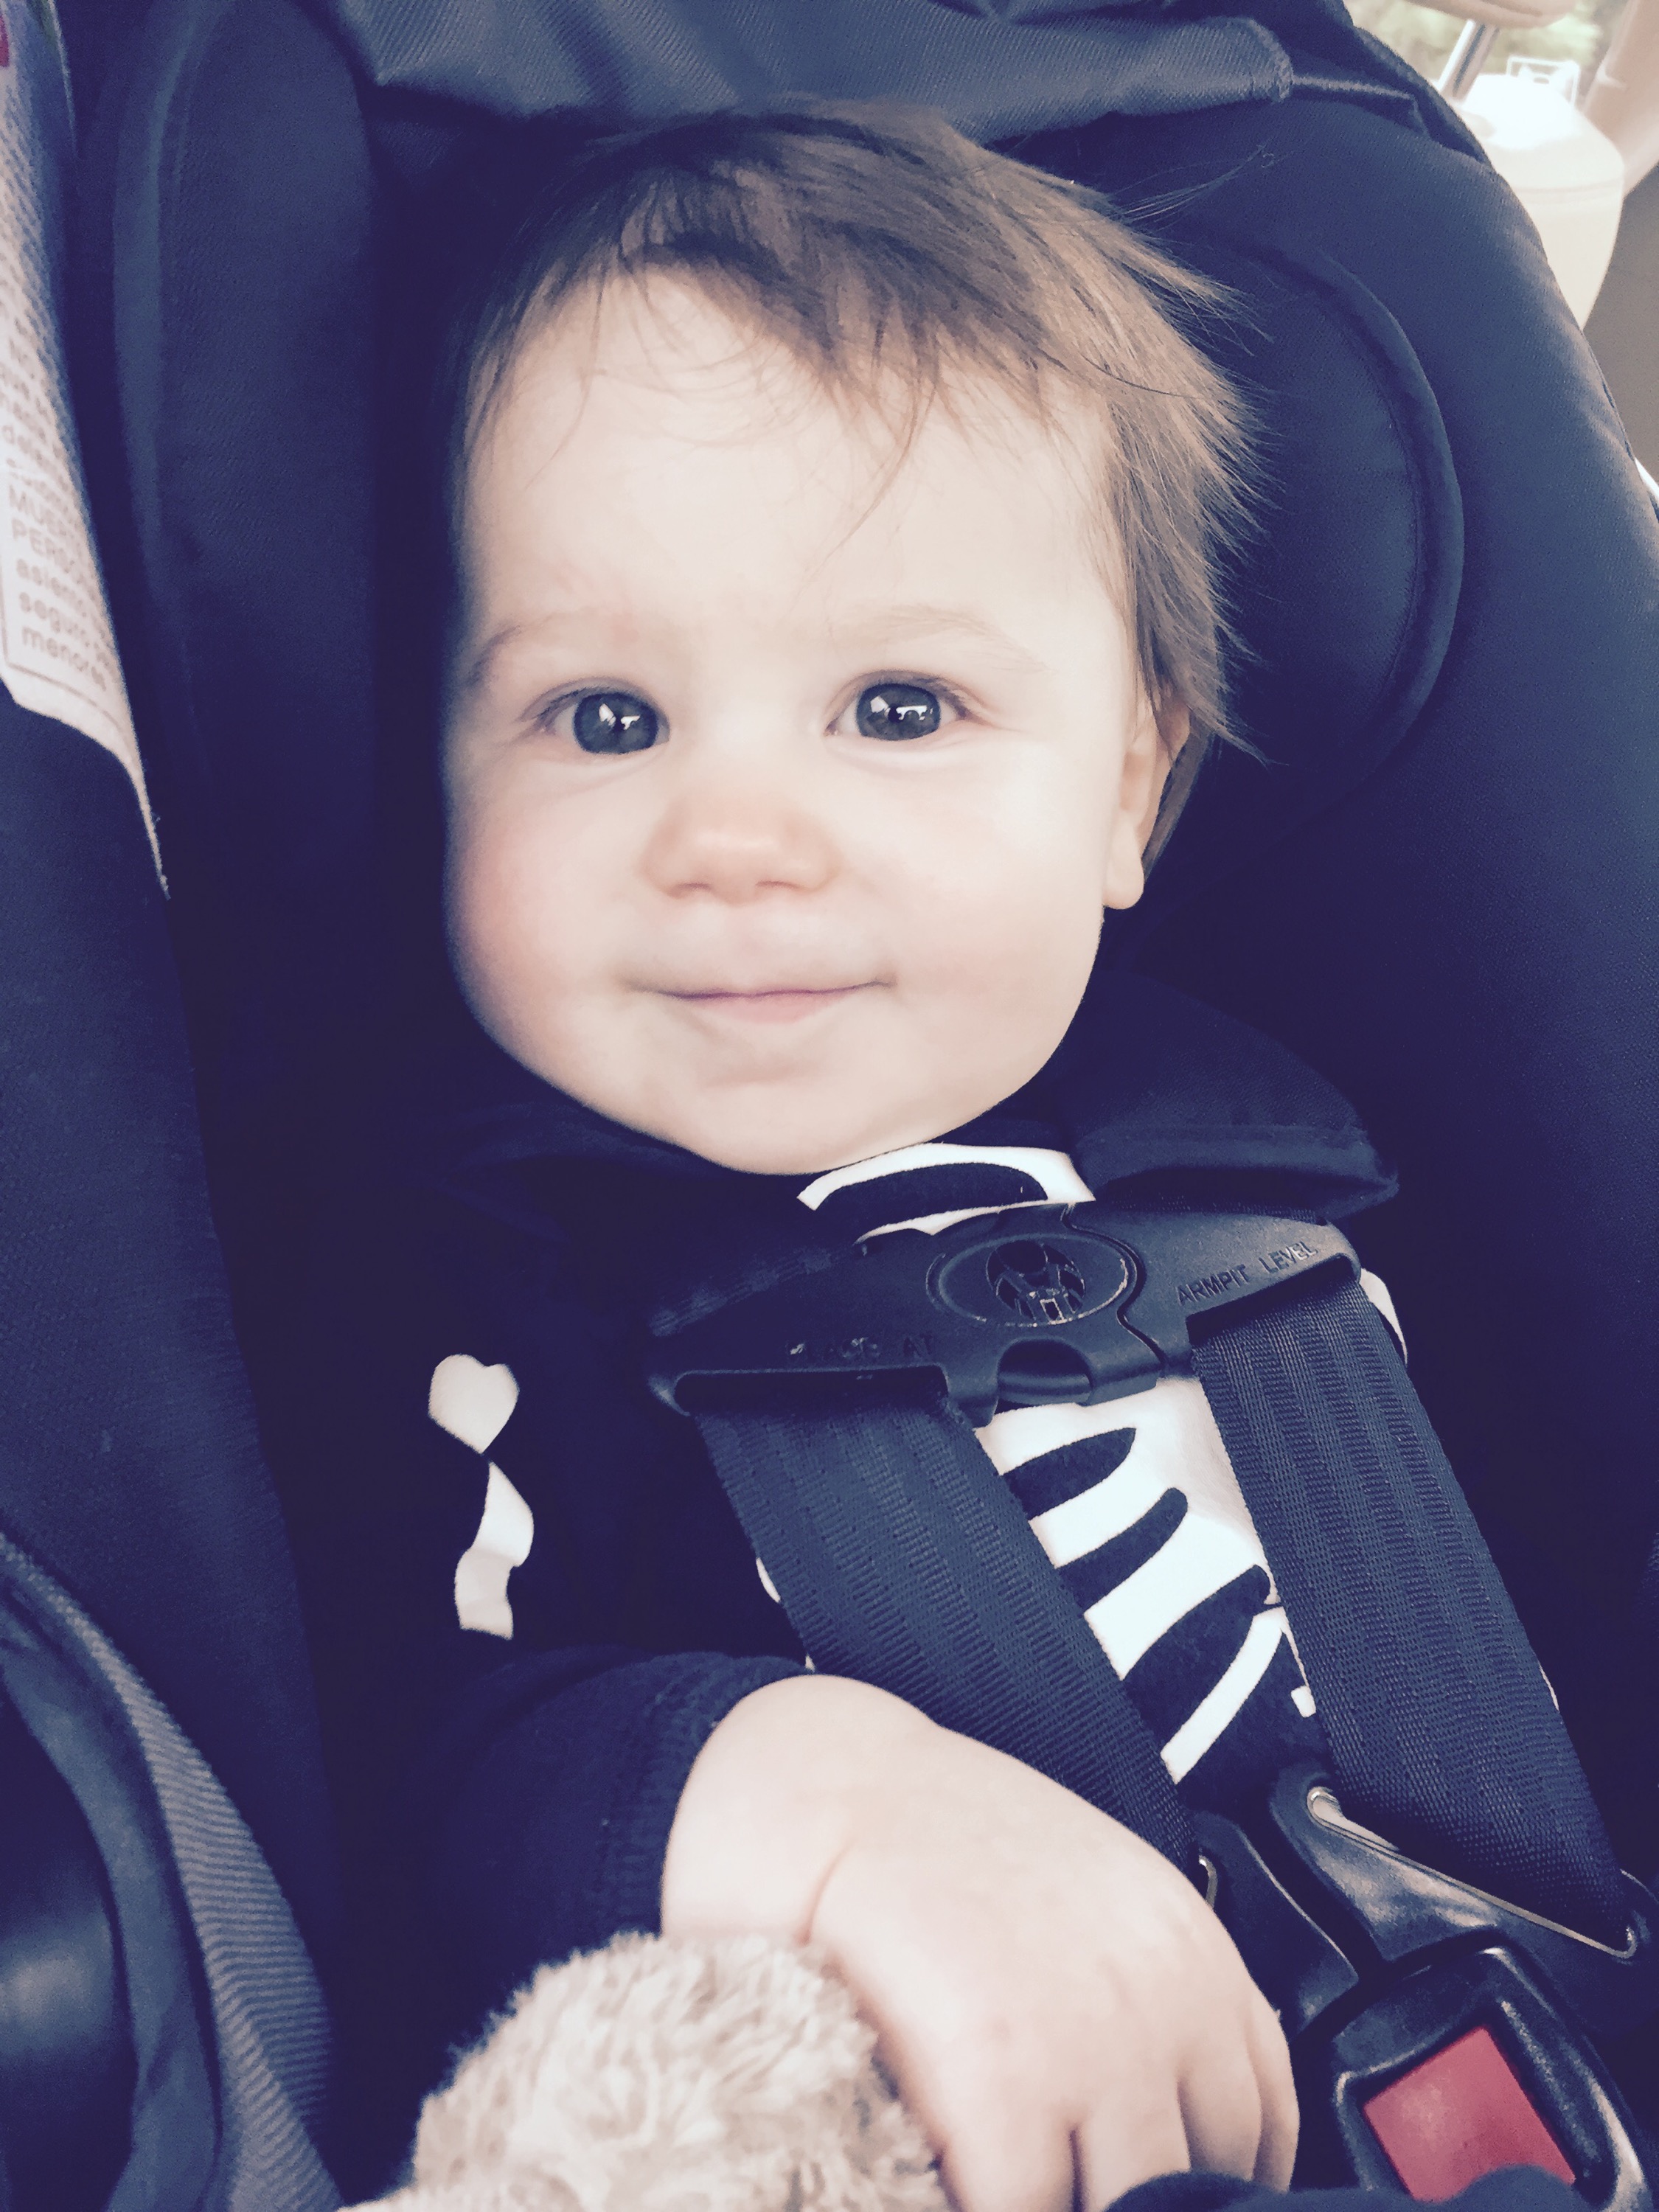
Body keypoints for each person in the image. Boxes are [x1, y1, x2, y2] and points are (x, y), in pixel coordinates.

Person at [276, 102, 1576, 2212]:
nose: (734, 839)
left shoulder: (1287, 1180)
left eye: (897, 708)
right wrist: (817, 1805)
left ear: (1129, 787)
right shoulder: (453, 1275)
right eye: (605, 718)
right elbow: (389, 1758)